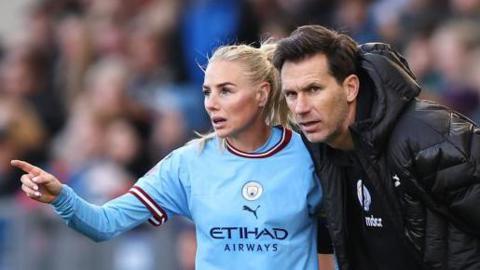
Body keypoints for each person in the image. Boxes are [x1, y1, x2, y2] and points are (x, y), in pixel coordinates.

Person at [12, 43, 334, 269]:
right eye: (207, 91)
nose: (211, 103)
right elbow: (104, 223)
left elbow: (345, 239)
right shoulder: (188, 163)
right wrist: (61, 197)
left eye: (226, 90)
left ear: (262, 94)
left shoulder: (309, 154)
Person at [273, 24, 480, 270]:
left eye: (313, 89)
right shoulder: (318, 149)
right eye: (291, 94)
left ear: (350, 87)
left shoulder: (426, 135)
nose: (300, 108)